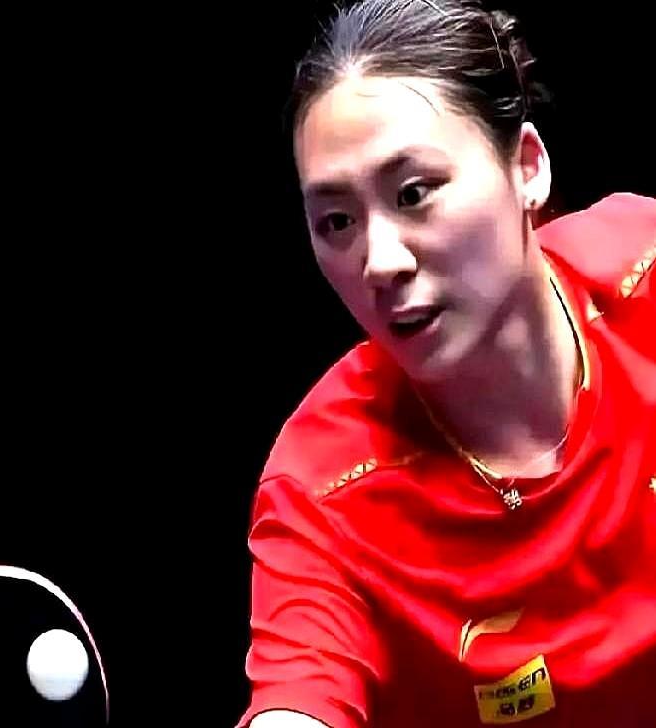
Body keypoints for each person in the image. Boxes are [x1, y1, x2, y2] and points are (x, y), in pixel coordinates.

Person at [236, 1, 656, 726]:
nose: (380, 262)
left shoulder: (647, 274)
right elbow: (297, 697)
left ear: (527, 167)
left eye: (414, 194)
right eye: (337, 221)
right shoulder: (323, 486)